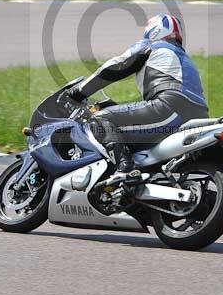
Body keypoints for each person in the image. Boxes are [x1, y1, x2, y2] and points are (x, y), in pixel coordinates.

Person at [69, 13, 208, 182]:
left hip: (170, 107)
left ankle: (125, 169)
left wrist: (79, 91)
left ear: (153, 30)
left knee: (99, 120)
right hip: (199, 114)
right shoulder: (184, 58)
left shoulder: (152, 46)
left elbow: (115, 66)